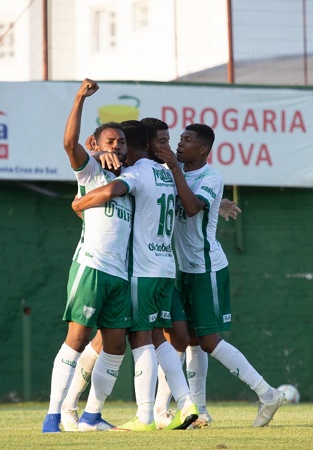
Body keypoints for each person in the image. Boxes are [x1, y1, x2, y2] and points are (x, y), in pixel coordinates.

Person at [154, 123, 286, 428]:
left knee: (210, 341)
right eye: (180, 139)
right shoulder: (175, 172)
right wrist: (215, 201)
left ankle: (267, 393)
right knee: (192, 342)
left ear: (202, 149)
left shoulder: (210, 176)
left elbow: (191, 207)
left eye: (187, 141)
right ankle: (200, 410)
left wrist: (177, 171)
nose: (180, 144)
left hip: (206, 268)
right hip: (183, 271)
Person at [72, 119, 200, 431]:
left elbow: (114, 189)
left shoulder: (137, 172)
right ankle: (185, 401)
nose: (119, 151)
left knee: (140, 338)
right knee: (157, 337)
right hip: (165, 266)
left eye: (123, 144)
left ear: (134, 145)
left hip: (142, 271)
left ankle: (144, 416)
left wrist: (79, 202)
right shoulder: (166, 173)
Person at [41, 79, 132, 433]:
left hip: (120, 274)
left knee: (114, 346)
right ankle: (52, 416)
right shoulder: (90, 171)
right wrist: (79, 97)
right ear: (95, 144)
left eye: (122, 141)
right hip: (92, 266)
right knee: (77, 339)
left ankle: (91, 416)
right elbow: (68, 143)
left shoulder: (133, 179)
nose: (117, 146)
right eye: (110, 141)